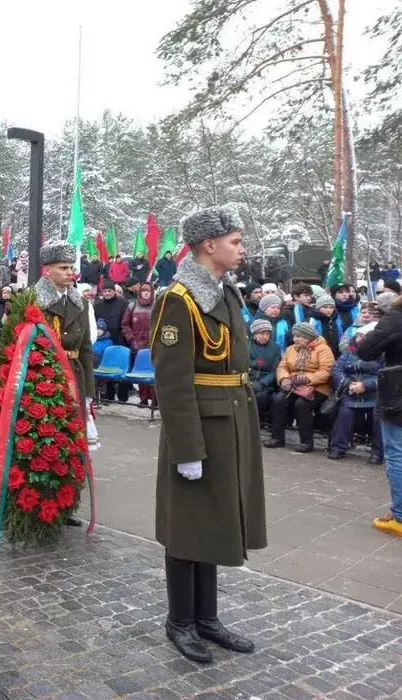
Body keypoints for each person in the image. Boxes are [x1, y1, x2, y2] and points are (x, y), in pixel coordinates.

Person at [149, 205, 265, 663]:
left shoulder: (225, 290)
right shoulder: (178, 299)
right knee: (187, 526)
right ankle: (180, 621)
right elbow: (172, 382)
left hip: (232, 419)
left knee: (214, 520)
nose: (242, 248)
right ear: (209, 245)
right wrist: (187, 449)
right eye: (235, 241)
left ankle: (207, 618)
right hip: (199, 426)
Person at [31, 241, 94, 527]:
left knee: (71, 443)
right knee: (45, 442)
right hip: (44, 378)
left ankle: (65, 504)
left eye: (72, 267)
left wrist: (89, 391)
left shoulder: (80, 302)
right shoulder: (33, 300)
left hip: (74, 379)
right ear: (47, 271)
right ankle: (40, 503)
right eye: (64, 268)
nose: (71, 273)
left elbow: (86, 349)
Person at [356, 298, 402, 537]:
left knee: (398, 454)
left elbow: (366, 351)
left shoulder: (397, 317)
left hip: (399, 395)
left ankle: (401, 517)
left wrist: (383, 324)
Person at [267, 324, 335, 452]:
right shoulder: (290, 349)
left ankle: (306, 442)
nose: (295, 339)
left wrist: (308, 379)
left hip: (317, 386)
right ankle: (277, 438)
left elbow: (327, 371)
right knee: (279, 400)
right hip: (294, 385)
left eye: (298, 336)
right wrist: (284, 379)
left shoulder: (323, 349)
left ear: (308, 336)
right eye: (294, 336)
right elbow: (282, 367)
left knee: (302, 404)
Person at [328, 330, 383, 462]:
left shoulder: (383, 354)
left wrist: (365, 385)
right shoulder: (348, 353)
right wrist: (347, 384)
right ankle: (338, 447)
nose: (359, 337)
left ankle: (378, 452)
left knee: (379, 417)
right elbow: (336, 369)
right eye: (358, 335)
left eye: (363, 335)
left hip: (374, 394)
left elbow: (385, 374)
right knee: (344, 413)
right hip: (351, 392)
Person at [121, 281, 157, 408]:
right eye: (144, 291)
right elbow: (125, 325)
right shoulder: (132, 306)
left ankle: (155, 400)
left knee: (154, 372)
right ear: (140, 292)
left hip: (153, 345)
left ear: (152, 292)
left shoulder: (157, 305)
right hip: (137, 345)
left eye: (148, 291)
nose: (146, 293)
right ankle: (143, 399)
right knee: (141, 373)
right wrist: (132, 340)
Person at [94, 280, 130, 401]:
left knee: (122, 367)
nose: (107, 293)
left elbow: (125, 322)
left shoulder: (123, 303)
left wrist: (121, 339)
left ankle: (123, 396)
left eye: (110, 291)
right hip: (103, 341)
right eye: (105, 291)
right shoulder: (97, 305)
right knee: (106, 366)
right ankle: (108, 395)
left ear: (114, 291)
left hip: (120, 339)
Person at [247, 319, 280, 425]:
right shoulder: (246, 345)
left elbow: (275, 371)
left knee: (261, 396)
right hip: (247, 378)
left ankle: (258, 422)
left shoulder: (275, 348)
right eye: (261, 333)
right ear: (254, 334)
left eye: (267, 334)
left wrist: (262, 383)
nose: (265, 336)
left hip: (265, 381)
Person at [313, 293, 342, 359]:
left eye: (331, 307)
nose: (328, 310)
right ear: (318, 308)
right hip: (318, 356)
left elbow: (340, 336)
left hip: (335, 355)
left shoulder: (336, 321)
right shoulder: (314, 321)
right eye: (325, 307)